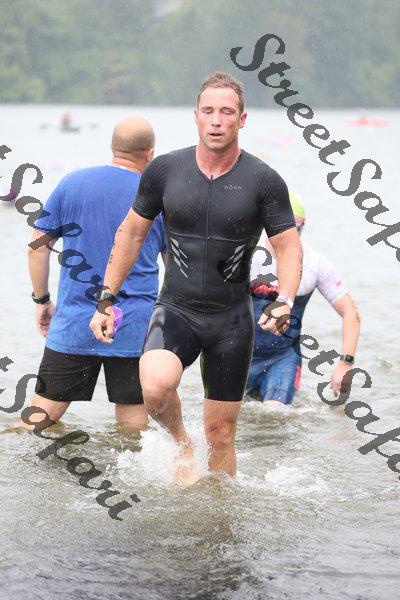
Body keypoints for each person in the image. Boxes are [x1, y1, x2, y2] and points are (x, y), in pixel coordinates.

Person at [90, 72, 302, 483]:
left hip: (231, 320)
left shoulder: (263, 180)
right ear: (196, 116)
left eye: (227, 112)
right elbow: (131, 233)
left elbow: (288, 246)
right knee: (155, 387)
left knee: (220, 434)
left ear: (242, 119)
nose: (216, 120)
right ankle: (181, 441)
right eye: (208, 111)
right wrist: (106, 298)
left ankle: (219, 510)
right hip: (177, 308)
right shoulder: (165, 170)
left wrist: (285, 299)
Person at [20, 116, 167, 432]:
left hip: (75, 323)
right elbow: (176, 267)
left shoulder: (72, 183)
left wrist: (42, 300)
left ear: (112, 147)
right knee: (132, 429)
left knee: (37, 422)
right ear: (150, 154)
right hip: (133, 327)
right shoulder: (158, 196)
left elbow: (37, 248)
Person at [247, 191, 361, 407]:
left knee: (274, 414)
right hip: (240, 355)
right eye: (279, 227)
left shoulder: (315, 264)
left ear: (303, 226)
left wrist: (346, 363)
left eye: (294, 228)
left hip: (282, 358)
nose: (286, 235)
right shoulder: (249, 256)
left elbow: (350, 312)